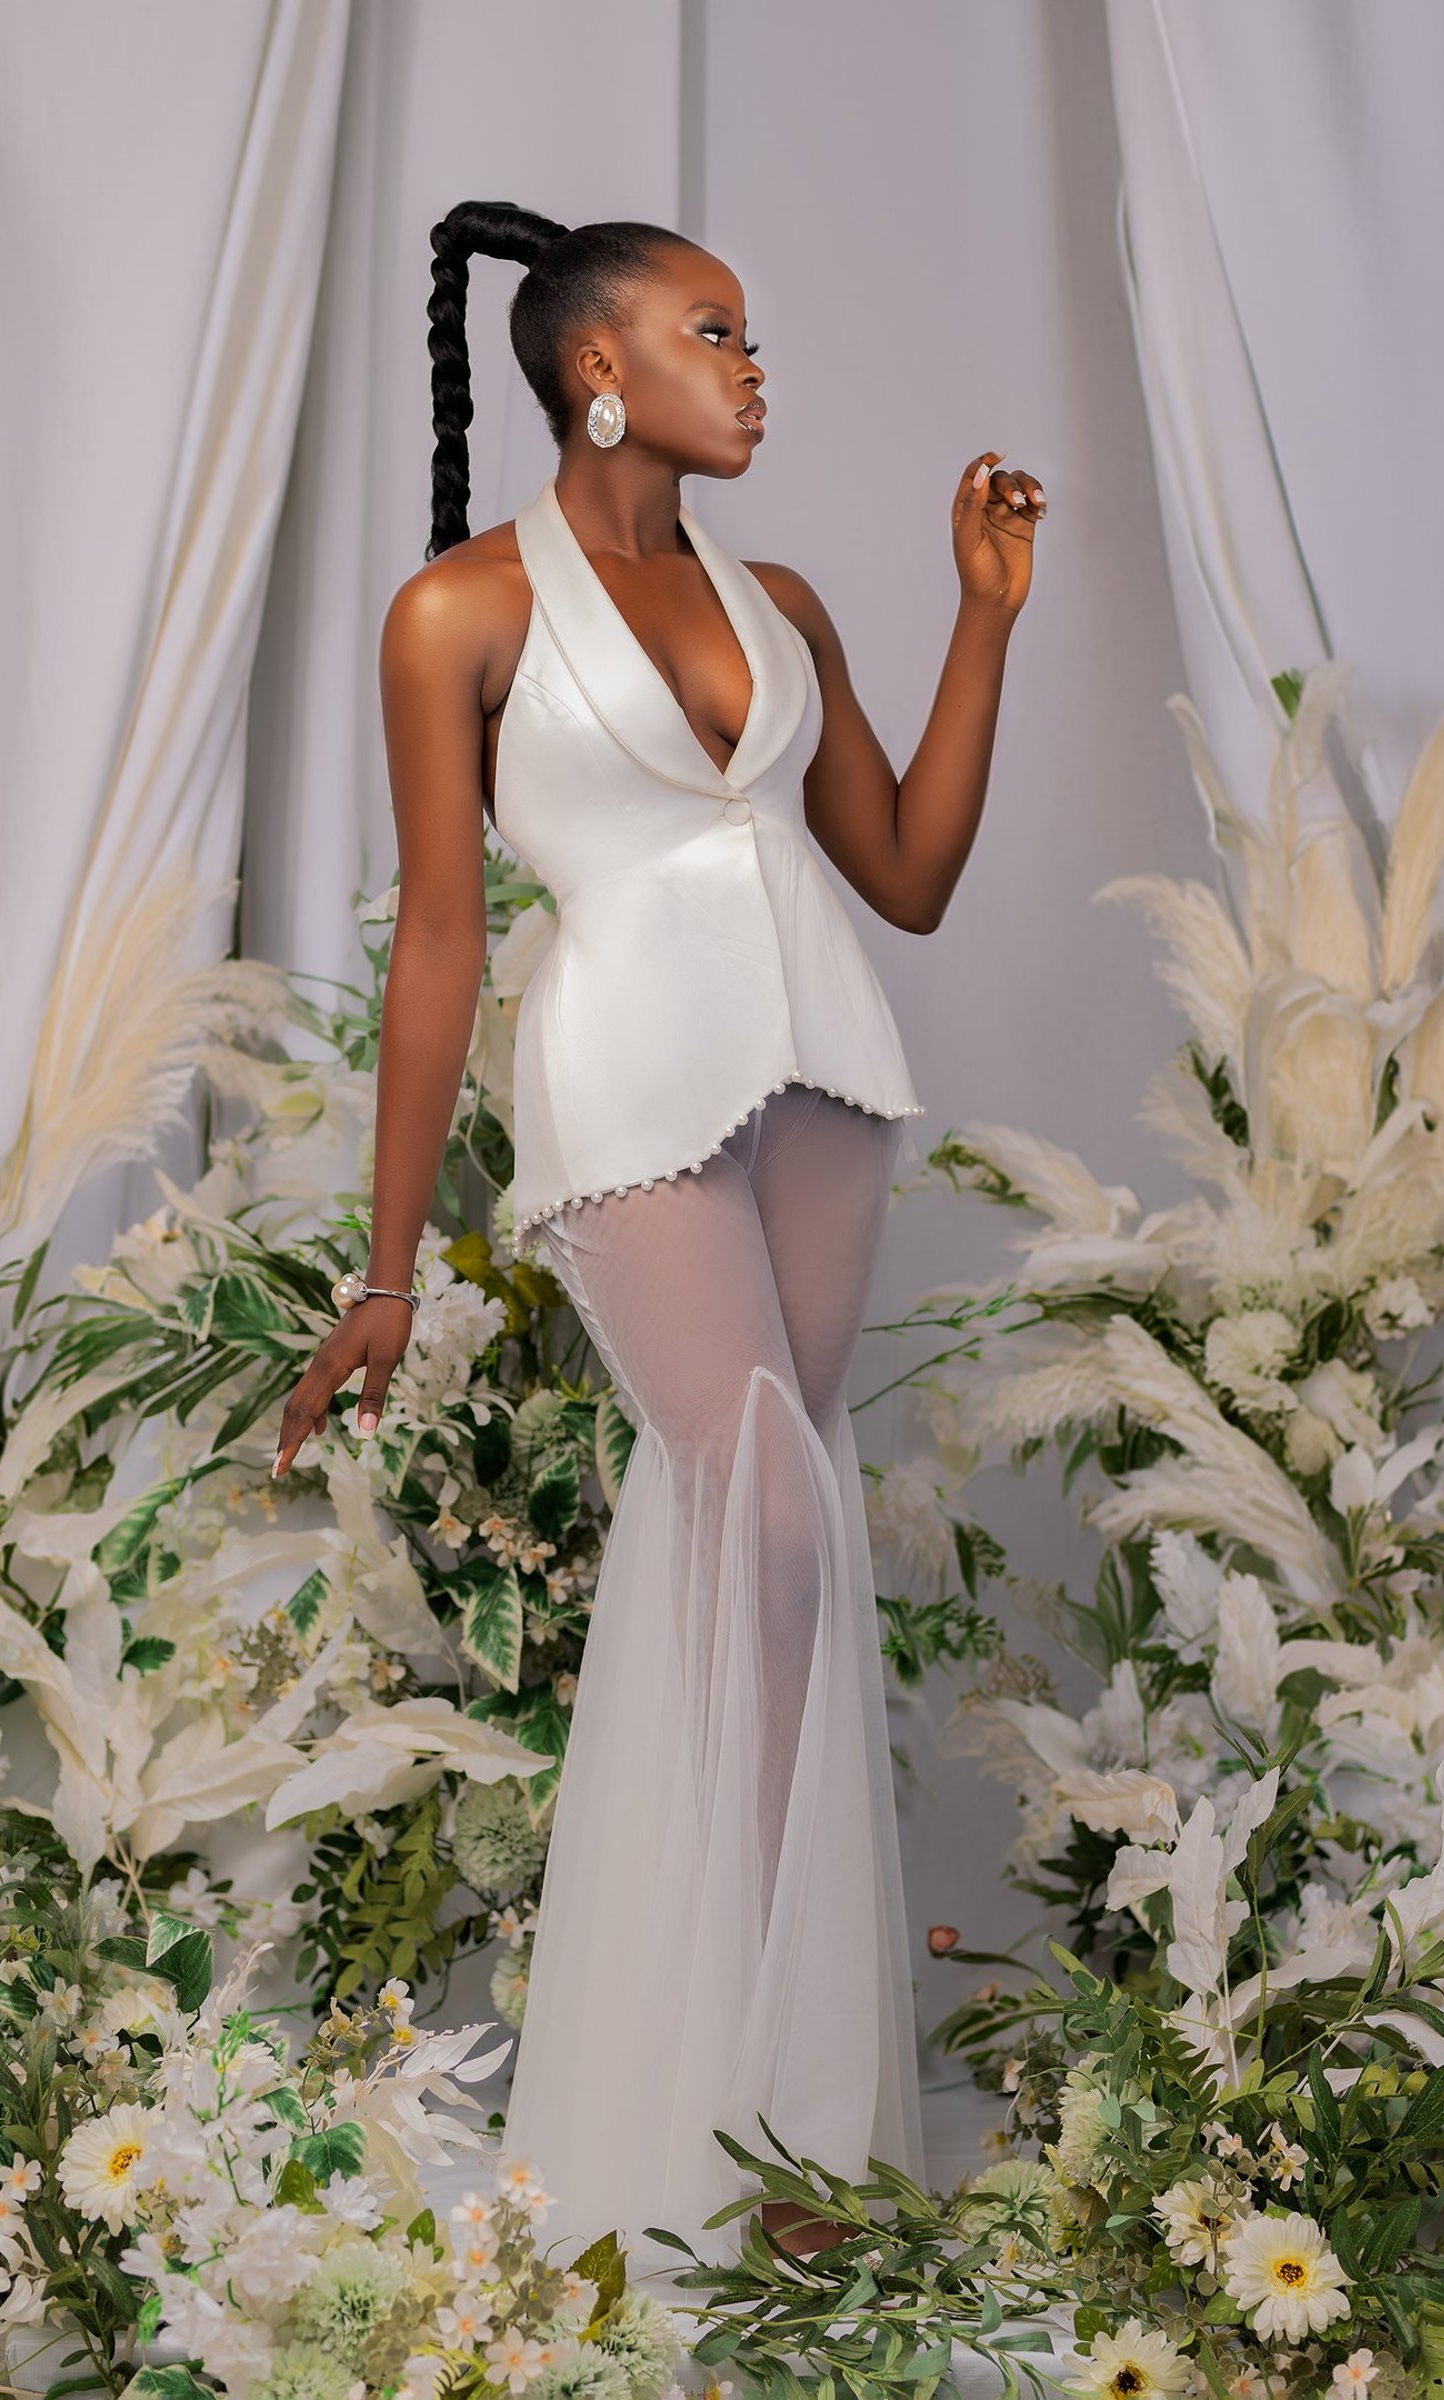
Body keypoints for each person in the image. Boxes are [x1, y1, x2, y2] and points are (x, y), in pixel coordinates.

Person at [273, 203, 1042, 2266]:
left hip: (824, 1078)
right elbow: (444, 942)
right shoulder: (458, 613)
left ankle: (775, 2119)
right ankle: (692, 2112)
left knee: (779, 1577)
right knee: (761, 1518)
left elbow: (907, 870)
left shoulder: (780, 597)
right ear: (598, 368)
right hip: (624, 1089)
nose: (755, 368)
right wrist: (387, 1271)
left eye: (754, 338)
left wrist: (982, 617)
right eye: (718, 334)